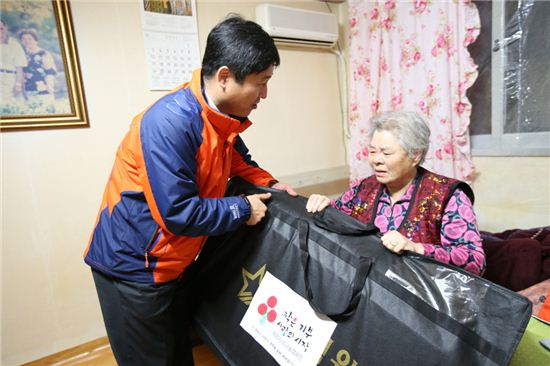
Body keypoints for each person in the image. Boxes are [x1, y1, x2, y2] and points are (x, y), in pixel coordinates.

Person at [84, 15, 296, 366]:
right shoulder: (170, 123)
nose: (264, 94)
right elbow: (178, 213)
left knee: (177, 354)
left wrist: (272, 185)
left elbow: (241, 162)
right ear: (226, 77)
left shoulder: (218, 118)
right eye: (261, 83)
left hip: (172, 263)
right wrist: (244, 208)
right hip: (134, 267)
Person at [306, 111, 486, 275]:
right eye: (372, 151)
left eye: (386, 153)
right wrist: (323, 205)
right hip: (371, 290)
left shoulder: (448, 196)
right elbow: (336, 222)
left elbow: (475, 261)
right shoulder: (364, 189)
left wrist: (416, 248)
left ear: (415, 155)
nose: (376, 160)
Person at [18, 28, 57, 110]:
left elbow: (50, 71)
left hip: (43, 88)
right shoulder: (22, 55)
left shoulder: (43, 53)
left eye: (29, 38)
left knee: (46, 112)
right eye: (23, 39)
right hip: (29, 89)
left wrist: (49, 86)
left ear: (36, 40)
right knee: (33, 112)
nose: (26, 41)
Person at [0, 19, 26, 109]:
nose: (0, 31)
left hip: (9, 79)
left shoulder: (14, 44)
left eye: (1, 28)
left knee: (10, 106)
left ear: (5, 28)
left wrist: (18, 85)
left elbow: (19, 67)